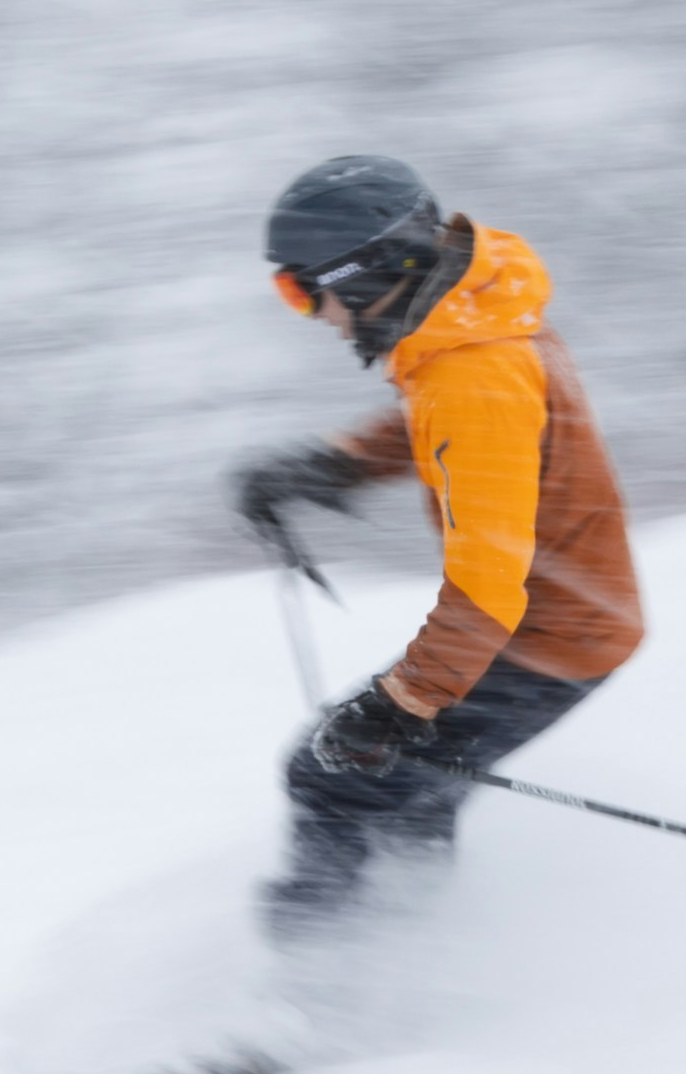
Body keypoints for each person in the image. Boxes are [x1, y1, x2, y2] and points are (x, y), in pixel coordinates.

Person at [231, 153, 644, 921]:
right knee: (403, 790)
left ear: (361, 273)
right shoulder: (477, 319)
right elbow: (465, 431)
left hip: (546, 634)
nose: (311, 314)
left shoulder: (469, 376)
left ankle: (313, 1001)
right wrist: (332, 465)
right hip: (571, 613)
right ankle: (409, 955)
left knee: (330, 775)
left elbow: (486, 585)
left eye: (300, 289)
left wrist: (398, 704)